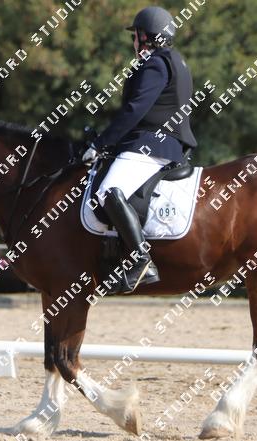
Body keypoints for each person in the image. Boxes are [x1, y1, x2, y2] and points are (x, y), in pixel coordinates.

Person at [82, 6, 197, 294]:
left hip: (152, 144)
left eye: (135, 35)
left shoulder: (156, 64)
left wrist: (100, 144)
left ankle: (141, 260)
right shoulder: (177, 61)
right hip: (164, 143)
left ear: (147, 37)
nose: (133, 42)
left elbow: (135, 110)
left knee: (108, 191)